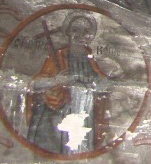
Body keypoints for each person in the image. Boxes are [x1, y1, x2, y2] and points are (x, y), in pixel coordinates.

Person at [26, 14, 110, 154]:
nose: (80, 35)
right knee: (63, 144)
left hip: (84, 109)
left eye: (86, 32)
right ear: (68, 32)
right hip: (59, 110)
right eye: (75, 30)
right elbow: (36, 83)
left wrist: (101, 83)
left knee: (80, 144)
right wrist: (57, 80)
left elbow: (101, 81)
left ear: (90, 36)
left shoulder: (90, 59)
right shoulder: (59, 56)